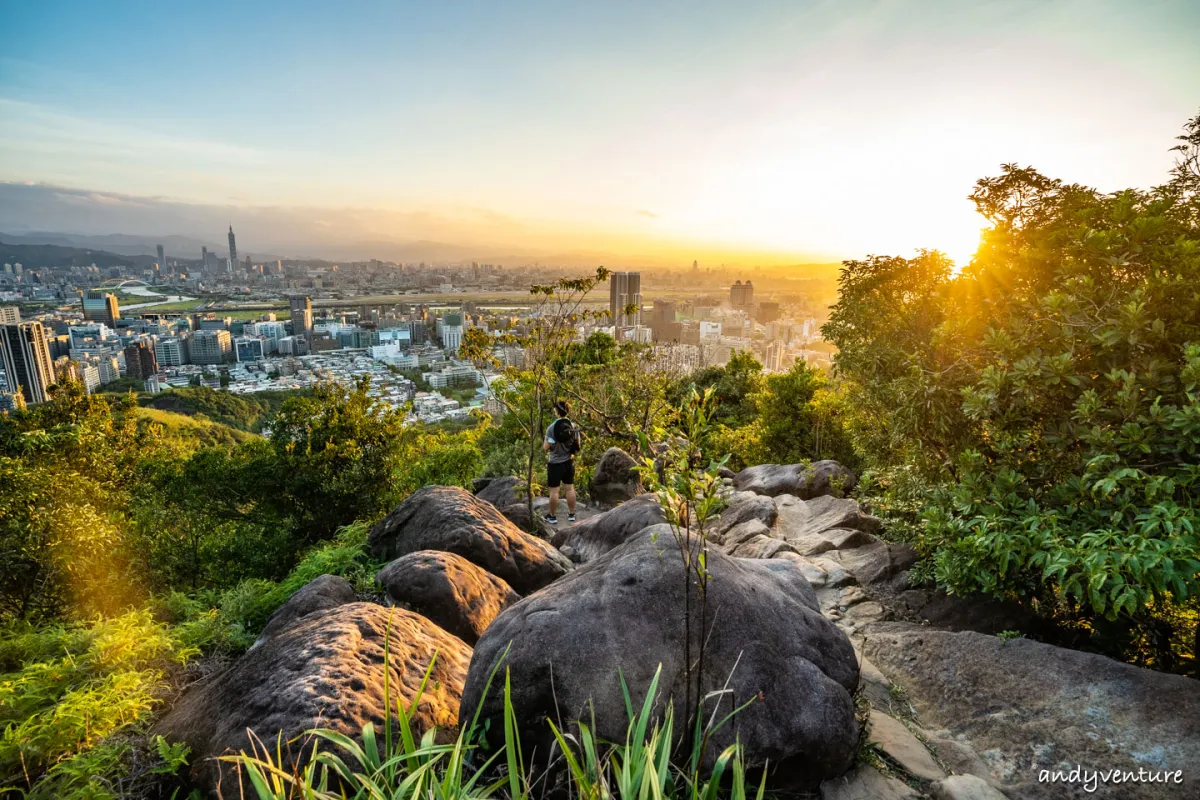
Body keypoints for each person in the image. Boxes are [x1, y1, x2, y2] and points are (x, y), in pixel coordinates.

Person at [544, 400, 579, 524]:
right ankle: (572, 514)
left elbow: (546, 447)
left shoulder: (551, 428)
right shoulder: (573, 426)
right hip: (568, 462)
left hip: (554, 463)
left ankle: (552, 516)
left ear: (557, 412)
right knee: (569, 488)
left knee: (554, 491)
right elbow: (577, 444)